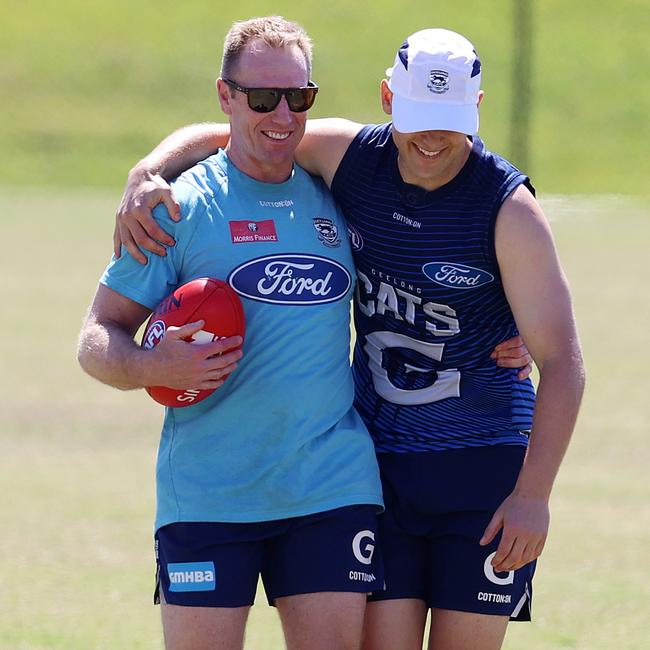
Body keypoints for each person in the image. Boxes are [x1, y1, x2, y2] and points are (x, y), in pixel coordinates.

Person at [113, 27, 584, 650]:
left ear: (476, 109)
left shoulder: (506, 208)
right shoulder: (350, 157)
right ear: (387, 99)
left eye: (450, 122)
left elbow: (564, 363)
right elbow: (235, 130)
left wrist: (534, 496)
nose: (432, 139)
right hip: (381, 464)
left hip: (482, 466)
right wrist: (146, 170)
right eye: (419, 118)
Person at [77, 16, 387, 650]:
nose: (282, 113)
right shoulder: (178, 209)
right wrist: (151, 367)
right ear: (226, 96)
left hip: (329, 488)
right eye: (261, 97)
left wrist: (504, 335)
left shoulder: (337, 195)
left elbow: (439, 218)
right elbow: (96, 337)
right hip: (209, 495)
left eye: (298, 97)